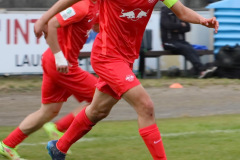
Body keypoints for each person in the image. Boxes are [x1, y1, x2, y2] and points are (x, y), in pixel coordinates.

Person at [34, 0, 219, 159]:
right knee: (146, 107)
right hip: (106, 57)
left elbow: (182, 12)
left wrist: (203, 20)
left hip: (126, 60)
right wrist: (44, 18)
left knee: (98, 111)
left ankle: (58, 148)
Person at [0, 0, 99, 159]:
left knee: (48, 111)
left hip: (57, 63)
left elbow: (97, 26)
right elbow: (52, 24)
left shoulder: (97, 6)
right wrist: (59, 57)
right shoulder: (83, 6)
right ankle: (59, 128)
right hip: (61, 64)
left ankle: (7, 144)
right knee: (101, 97)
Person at [160, 6, 217, 78]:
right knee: (185, 48)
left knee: (191, 49)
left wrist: (176, 29)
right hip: (168, 42)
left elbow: (188, 27)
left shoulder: (180, 10)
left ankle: (199, 71)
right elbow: (167, 25)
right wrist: (180, 25)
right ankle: (200, 70)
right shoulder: (165, 11)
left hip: (181, 42)